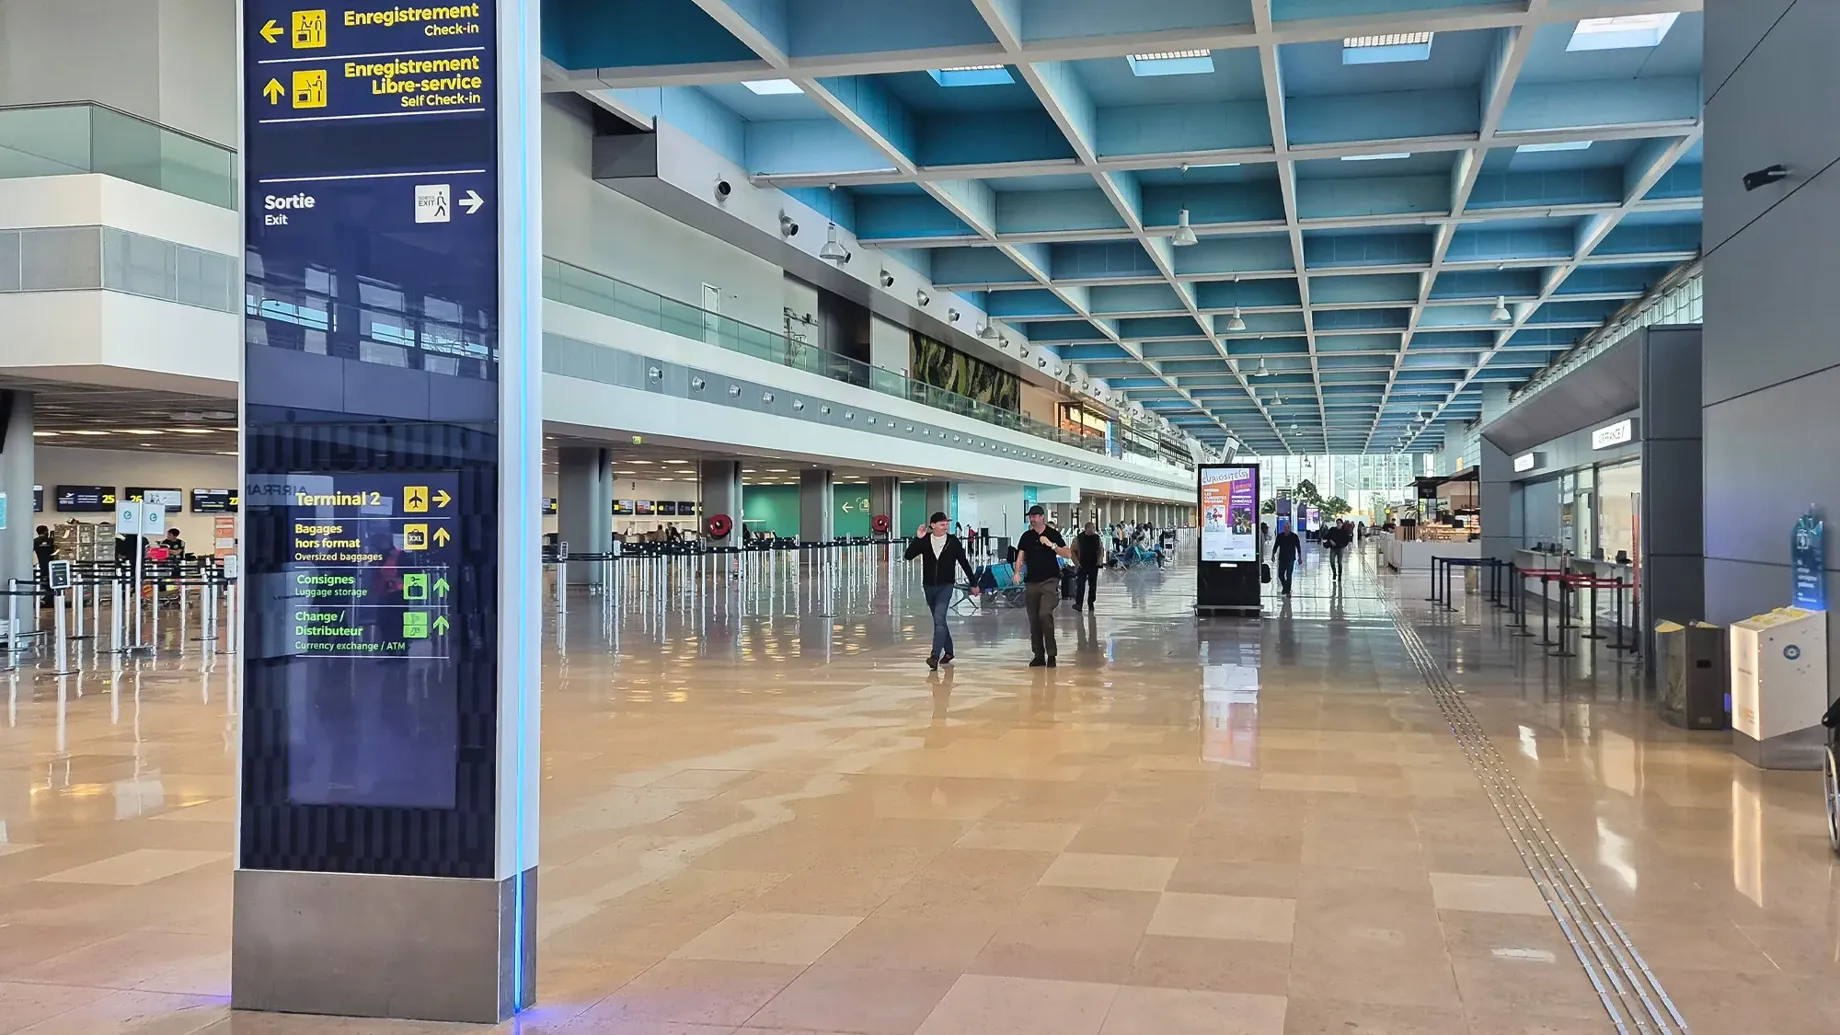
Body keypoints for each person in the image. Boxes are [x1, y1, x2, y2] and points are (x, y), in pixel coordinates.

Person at [905, 512, 976, 670]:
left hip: (946, 585)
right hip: (929, 586)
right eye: (942, 524)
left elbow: (964, 562)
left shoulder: (953, 541)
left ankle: (934, 656)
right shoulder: (925, 541)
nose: (946, 526)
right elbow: (908, 556)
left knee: (939, 618)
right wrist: (918, 538)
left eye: (946, 524)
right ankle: (949, 652)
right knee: (940, 621)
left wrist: (973, 583)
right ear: (933, 525)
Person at [1016, 504, 1074, 667]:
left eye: (1035, 517)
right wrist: (1017, 572)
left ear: (1042, 517)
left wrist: (1051, 545)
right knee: (1034, 619)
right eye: (1030, 517)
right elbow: (1020, 556)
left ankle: (1052, 654)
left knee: (1044, 614)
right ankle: (1039, 655)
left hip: (1050, 580)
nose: (1032, 520)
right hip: (1032, 581)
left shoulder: (1052, 534)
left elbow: (1068, 554)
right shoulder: (1026, 536)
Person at [1073, 521, 1104, 611]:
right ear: (1086, 529)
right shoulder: (1079, 538)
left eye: (1094, 528)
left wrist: (1100, 561)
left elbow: (1101, 549)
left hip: (1094, 564)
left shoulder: (1097, 538)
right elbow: (1073, 551)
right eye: (1092, 528)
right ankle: (1079, 604)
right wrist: (1076, 563)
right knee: (1080, 585)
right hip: (1082, 564)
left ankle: (1091, 603)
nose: (1094, 530)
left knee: (1093, 585)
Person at [1273, 519, 1302, 595]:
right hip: (1282, 558)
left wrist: (1300, 558)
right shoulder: (1280, 536)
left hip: (1290, 559)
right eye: (1285, 527)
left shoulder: (1294, 536)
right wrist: (1273, 555)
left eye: (1287, 527)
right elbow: (1276, 546)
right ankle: (1285, 587)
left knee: (1289, 575)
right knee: (1280, 574)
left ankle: (1287, 591)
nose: (1286, 529)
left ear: (1290, 528)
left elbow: (1298, 547)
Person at [33, 525, 55, 607]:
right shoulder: (51, 540)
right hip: (52, 565)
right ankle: (49, 601)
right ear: (45, 531)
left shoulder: (35, 541)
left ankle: (48, 600)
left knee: (45, 583)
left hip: (42, 565)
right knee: (52, 584)